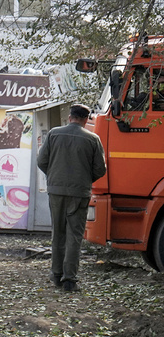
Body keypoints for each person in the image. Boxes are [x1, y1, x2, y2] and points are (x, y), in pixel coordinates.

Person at [36, 104, 106, 292]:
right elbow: (100, 169)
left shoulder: (53, 134)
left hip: (56, 191)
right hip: (79, 193)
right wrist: (84, 180)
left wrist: (54, 177)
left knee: (58, 233)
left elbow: (41, 161)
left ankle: (56, 275)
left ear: (70, 117)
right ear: (86, 119)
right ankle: (69, 280)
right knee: (74, 235)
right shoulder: (93, 139)